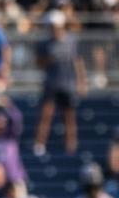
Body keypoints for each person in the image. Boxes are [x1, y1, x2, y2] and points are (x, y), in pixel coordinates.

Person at [32, 11, 86, 156]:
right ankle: (39, 144)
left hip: (67, 84)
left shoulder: (71, 41)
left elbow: (78, 62)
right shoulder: (44, 44)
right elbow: (39, 63)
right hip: (51, 83)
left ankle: (70, 145)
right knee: (45, 114)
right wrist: (48, 59)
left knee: (68, 116)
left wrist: (81, 82)